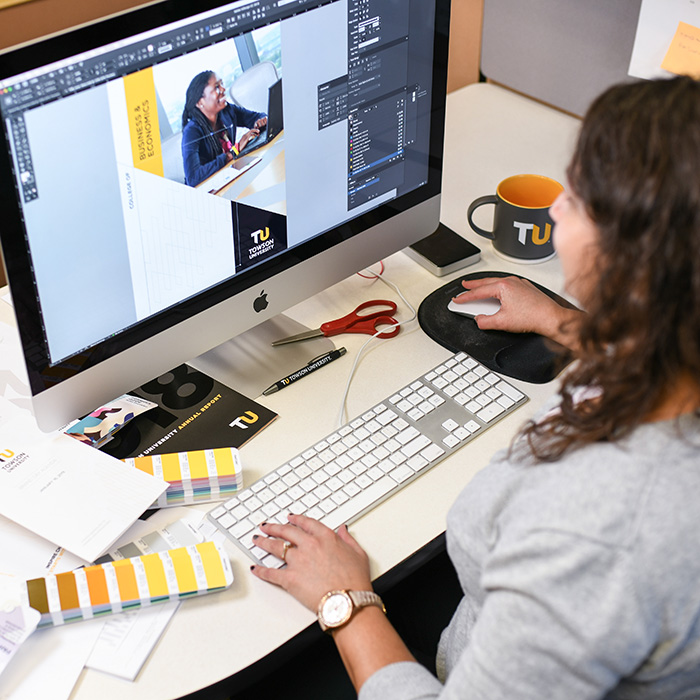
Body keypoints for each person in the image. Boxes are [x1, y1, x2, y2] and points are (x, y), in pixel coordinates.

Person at [251, 76, 700, 698]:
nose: (557, 208)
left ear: (632, 260)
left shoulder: (598, 538)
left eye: (579, 196)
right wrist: (562, 320)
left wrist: (343, 598)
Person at [181, 70, 268, 187]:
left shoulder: (227, 111)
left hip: (232, 178)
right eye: (216, 87)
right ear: (200, 102)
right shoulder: (191, 131)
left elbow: (255, 117)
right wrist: (232, 153)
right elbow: (193, 178)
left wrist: (262, 121)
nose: (223, 89)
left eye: (222, 84)